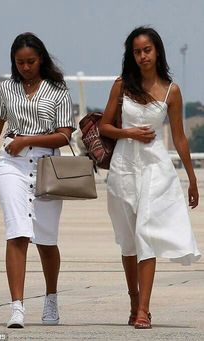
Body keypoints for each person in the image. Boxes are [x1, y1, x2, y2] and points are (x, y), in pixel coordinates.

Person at [0, 32, 76, 328]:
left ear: (41, 58)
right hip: (11, 164)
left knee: (46, 238)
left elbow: (65, 133)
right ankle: (16, 307)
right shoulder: (5, 88)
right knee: (16, 233)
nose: (25, 67)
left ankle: (51, 298)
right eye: (20, 63)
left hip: (47, 166)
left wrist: (28, 138)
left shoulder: (58, 89)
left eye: (30, 61)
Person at [99, 26, 201, 329]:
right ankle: (133, 303)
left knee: (145, 234)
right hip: (123, 169)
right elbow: (104, 126)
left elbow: (180, 138)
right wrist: (128, 132)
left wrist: (192, 179)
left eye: (147, 50)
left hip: (156, 169)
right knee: (128, 242)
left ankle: (144, 310)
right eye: (137, 51)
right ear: (132, 55)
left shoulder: (172, 91)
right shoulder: (121, 86)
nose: (142, 56)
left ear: (157, 52)